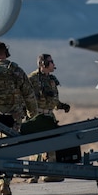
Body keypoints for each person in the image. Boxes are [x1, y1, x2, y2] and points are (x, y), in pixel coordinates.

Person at [0, 41, 39, 195]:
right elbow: (29, 93)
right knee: (10, 150)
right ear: (6, 53)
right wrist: (33, 113)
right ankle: (5, 183)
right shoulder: (16, 70)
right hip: (14, 116)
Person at [27, 53, 70, 182]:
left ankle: (51, 173)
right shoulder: (32, 79)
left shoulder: (51, 80)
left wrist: (62, 106)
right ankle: (34, 174)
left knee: (52, 143)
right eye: (50, 62)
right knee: (36, 144)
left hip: (49, 115)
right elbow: (26, 97)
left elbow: (53, 99)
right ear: (43, 64)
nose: (53, 64)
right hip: (37, 115)